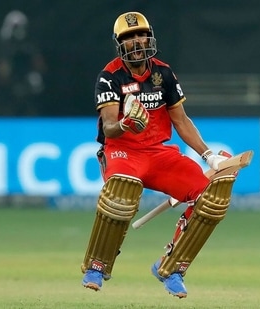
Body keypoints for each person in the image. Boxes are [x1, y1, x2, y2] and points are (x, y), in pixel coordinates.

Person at [80, 11, 232, 298]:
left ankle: (171, 267)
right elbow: (109, 126)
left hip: (158, 154)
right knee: (122, 193)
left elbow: (181, 121)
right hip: (123, 151)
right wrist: (125, 123)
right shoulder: (109, 76)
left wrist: (209, 156)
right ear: (119, 44)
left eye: (141, 35)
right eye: (129, 38)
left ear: (149, 37)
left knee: (210, 195)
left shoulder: (164, 73)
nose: (137, 41)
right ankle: (96, 266)